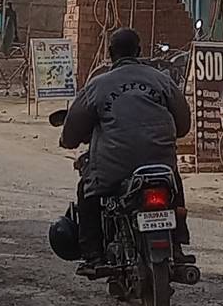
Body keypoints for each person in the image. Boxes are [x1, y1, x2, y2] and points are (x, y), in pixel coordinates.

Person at [58, 27, 192, 269]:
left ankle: (93, 255)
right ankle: (178, 244)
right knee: (174, 186)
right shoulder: (162, 80)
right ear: (139, 52)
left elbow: (72, 131)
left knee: (87, 192)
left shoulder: (97, 86)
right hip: (161, 163)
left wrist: (67, 141)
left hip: (114, 168)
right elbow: (184, 124)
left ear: (110, 53)